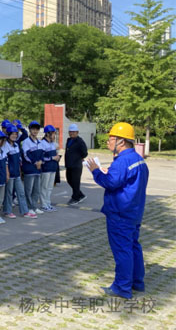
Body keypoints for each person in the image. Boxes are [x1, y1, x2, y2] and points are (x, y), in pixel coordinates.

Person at [86, 122, 148, 299]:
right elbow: (124, 180)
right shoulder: (138, 159)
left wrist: (96, 172)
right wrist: (111, 172)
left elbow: (110, 183)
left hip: (120, 213)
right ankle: (137, 282)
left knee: (122, 250)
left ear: (121, 141)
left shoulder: (122, 161)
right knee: (133, 246)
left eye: (111, 138)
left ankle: (122, 287)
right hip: (134, 212)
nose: (108, 142)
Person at [2, 125, 35, 219]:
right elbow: (5, 161)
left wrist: (20, 172)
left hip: (16, 174)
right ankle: (7, 211)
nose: (14, 136)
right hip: (10, 174)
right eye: (12, 134)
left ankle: (25, 211)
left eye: (16, 134)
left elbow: (18, 160)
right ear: (8, 134)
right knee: (9, 193)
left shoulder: (16, 145)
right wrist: (7, 173)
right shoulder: (5, 145)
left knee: (21, 192)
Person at [21, 121, 44, 216]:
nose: (35, 131)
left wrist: (41, 161)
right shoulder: (26, 141)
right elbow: (26, 155)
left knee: (36, 190)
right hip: (30, 169)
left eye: (37, 129)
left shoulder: (40, 142)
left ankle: (34, 207)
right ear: (30, 130)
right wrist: (35, 162)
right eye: (33, 129)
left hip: (38, 170)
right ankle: (29, 208)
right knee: (28, 190)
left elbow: (43, 154)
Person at [65, 123, 88, 205]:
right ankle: (80, 194)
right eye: (70, 132)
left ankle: (75, 198)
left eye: (73, 132)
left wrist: (79, 157)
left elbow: (85, 153)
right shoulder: (69, 140)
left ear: (77, 132)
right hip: (69, 165)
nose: (72, 133)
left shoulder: (80, 141)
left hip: (76, 165)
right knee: (69, 180)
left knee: (75, 182)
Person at [40, 125, 60, 212]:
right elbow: (41, 158)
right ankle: (43, 204)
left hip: (53, 168)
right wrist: (52, 158)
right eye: (53, 133)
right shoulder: (42, 143)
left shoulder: (52, 144)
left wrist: (57, 157)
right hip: (46, 169)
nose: (54, 135)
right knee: (44, 187)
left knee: (50, 188)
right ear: (48, 134)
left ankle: (48, 203)